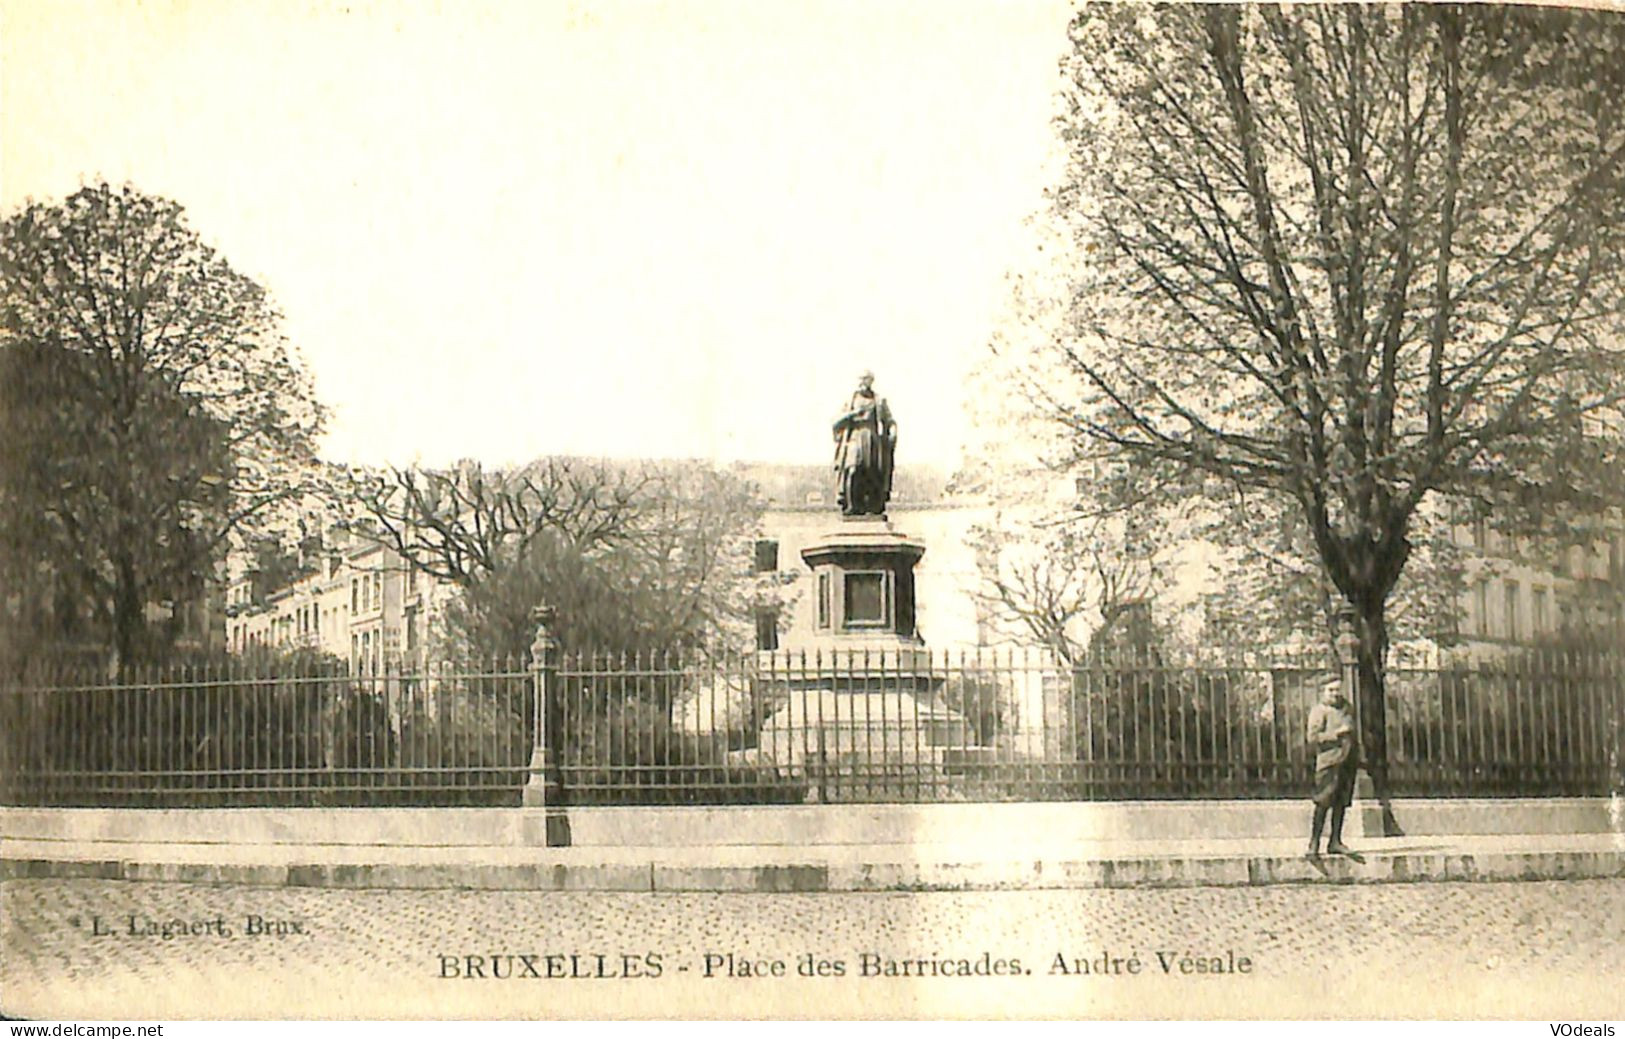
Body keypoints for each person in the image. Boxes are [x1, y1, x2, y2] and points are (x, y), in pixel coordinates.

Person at [1305, 675, 1358, 858]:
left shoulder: (1347, 709)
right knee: (1323, 802)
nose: (1335, 694)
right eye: (1331, 690)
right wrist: (1336, 733)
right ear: (1323, 692)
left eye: (1337, 690)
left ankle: (1335, 841)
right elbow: (1313, 738)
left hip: (1346, 761)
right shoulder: (1319, 711)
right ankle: (1314, 843)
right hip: (1328, 763)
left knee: (1341, 803)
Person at [831, 371, 896, 516]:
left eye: (866, 379)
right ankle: (852, 506)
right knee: (853, 470)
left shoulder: (878, 400)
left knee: (872, 472)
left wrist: (892, 431)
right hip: (854, 437)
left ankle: (872, 506)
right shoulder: (851, 400)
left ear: (871, 381)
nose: (862, 382)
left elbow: (889, 420)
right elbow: (836, 421)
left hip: (872, 438)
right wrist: (853, 414)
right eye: (860, 379)